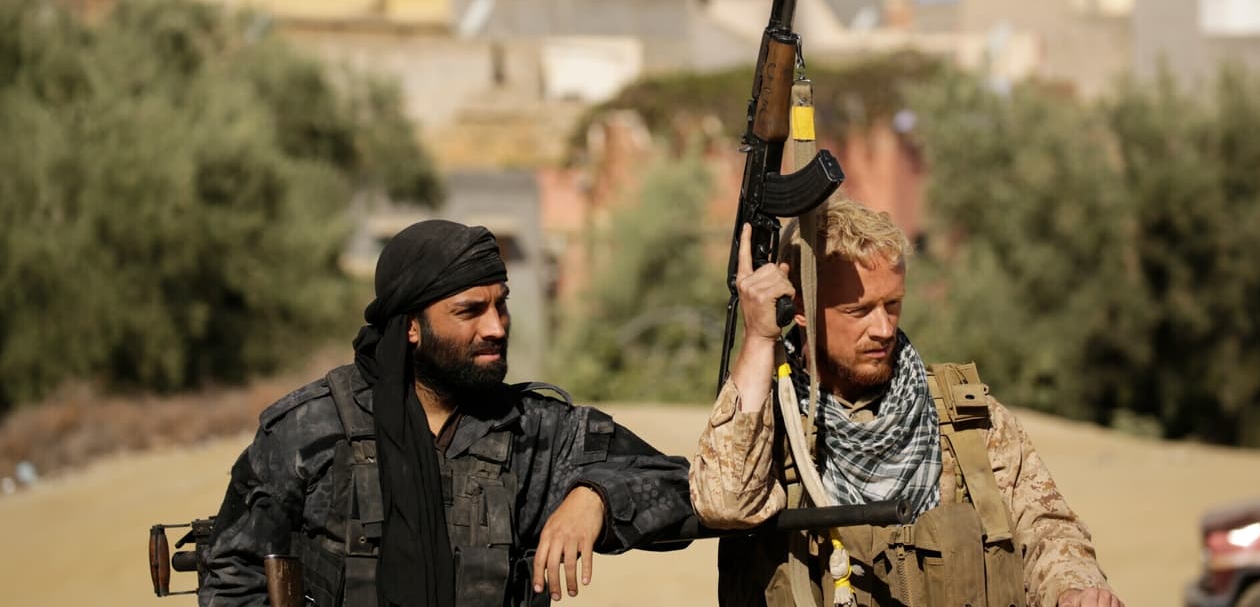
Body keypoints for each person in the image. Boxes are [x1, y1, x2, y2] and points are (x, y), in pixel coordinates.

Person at [200, 220, 692, 607]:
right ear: (412, 327)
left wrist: (596, 496)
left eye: (501, 306)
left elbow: (690, 488)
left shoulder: (535, 430)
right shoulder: (310, 430)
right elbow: (231, 575)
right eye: (469, 311)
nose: (496, 327)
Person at [691, 196, 1123, 607]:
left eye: (892, 304)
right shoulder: (768, 427)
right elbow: (725, 503)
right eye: (859, 310)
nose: (884, 329)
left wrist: (1076, 588)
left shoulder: (964, 419)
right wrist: (759, 338)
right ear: (799, 309)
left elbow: (1047, 528)